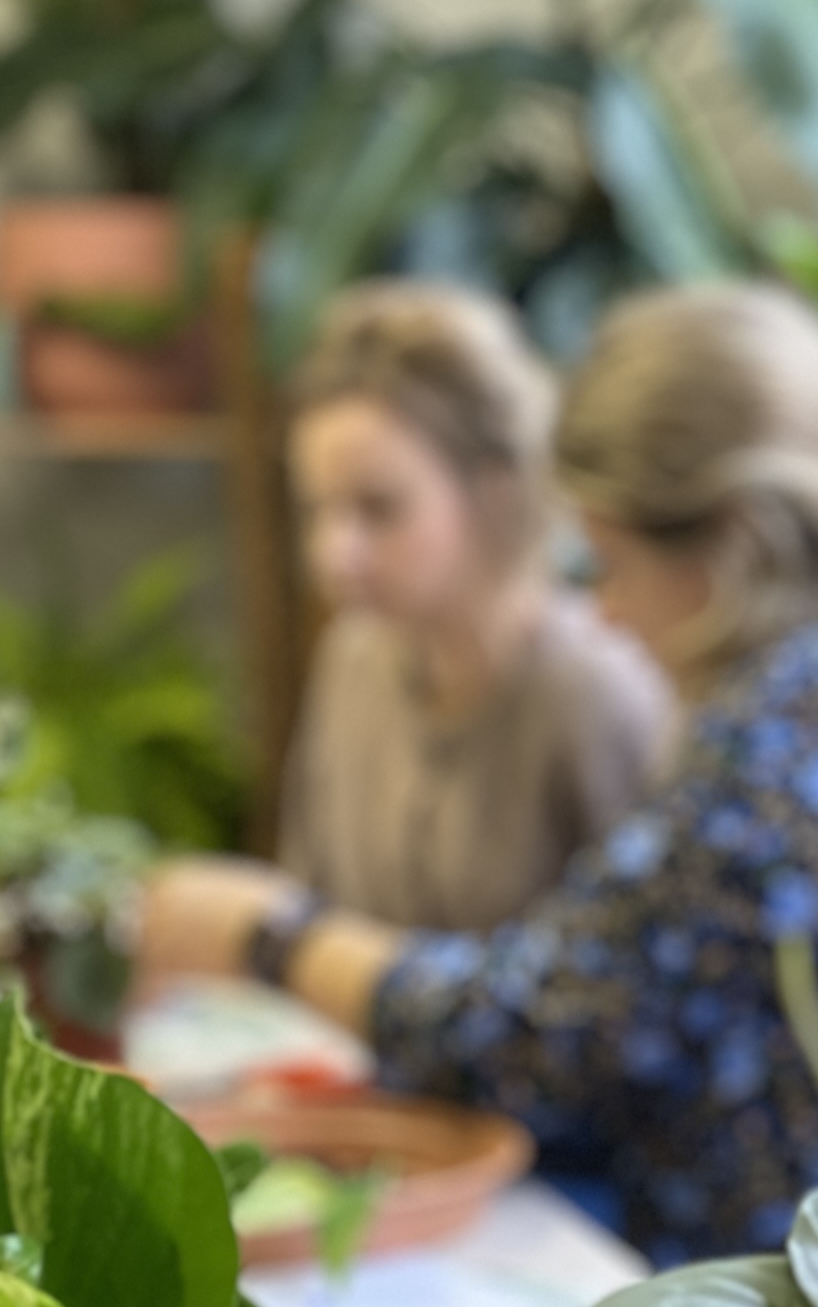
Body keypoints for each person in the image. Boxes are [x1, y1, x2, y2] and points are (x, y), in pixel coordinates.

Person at [137, 280, 818, 1263]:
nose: (603, 613)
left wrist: (267, 933)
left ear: (737, 542)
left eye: (608, 564)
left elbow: (539, 1031)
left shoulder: (808, 724)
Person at [282, 282, 672, 930]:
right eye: (316, 509)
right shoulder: (350, 660)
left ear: (495, 489)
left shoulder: (595, 693)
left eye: (378, 509)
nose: (332, 554)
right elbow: (306, 908)